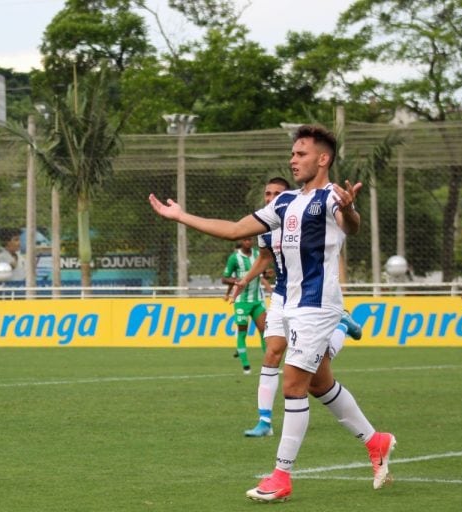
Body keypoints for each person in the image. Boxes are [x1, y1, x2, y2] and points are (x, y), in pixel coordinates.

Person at [149, 124, 395, 502]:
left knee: (294, 384)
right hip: (288, 303)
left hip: (317, 305)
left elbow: (352, 226)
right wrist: (181, 216)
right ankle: (375, 441)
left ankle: (281, 476)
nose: (293, 159)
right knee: (318, 385)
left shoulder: (332, 197)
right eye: (293, 153)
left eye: (301, 154)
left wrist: (350, 210)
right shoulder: (285, 203)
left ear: (323, 159)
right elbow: (234, 229)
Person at [233, 176, 363, 438]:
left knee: (314, 370)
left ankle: (339, 325)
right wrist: (245, 279)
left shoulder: (306, 218)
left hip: (312, 296)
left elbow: (342, 234)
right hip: (282, 294)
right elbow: (264, 258)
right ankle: (265, 421)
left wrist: (348, 211)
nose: (271, 199)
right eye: (268, 194)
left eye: (276, 194)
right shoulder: (266, 226)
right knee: (272, 351)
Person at [221, 237, 270, 374]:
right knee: (243, 332)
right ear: (241, 242)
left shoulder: (258, 255)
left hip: (257, 300)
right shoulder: (234, 258)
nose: (248, 242)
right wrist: (235, 280)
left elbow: (262, 272)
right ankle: (246, 365)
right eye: (245, 240)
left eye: (250, 240)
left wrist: (267, 274)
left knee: (264, 332)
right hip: (241, 301)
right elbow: (224, 278)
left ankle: (270, 365)